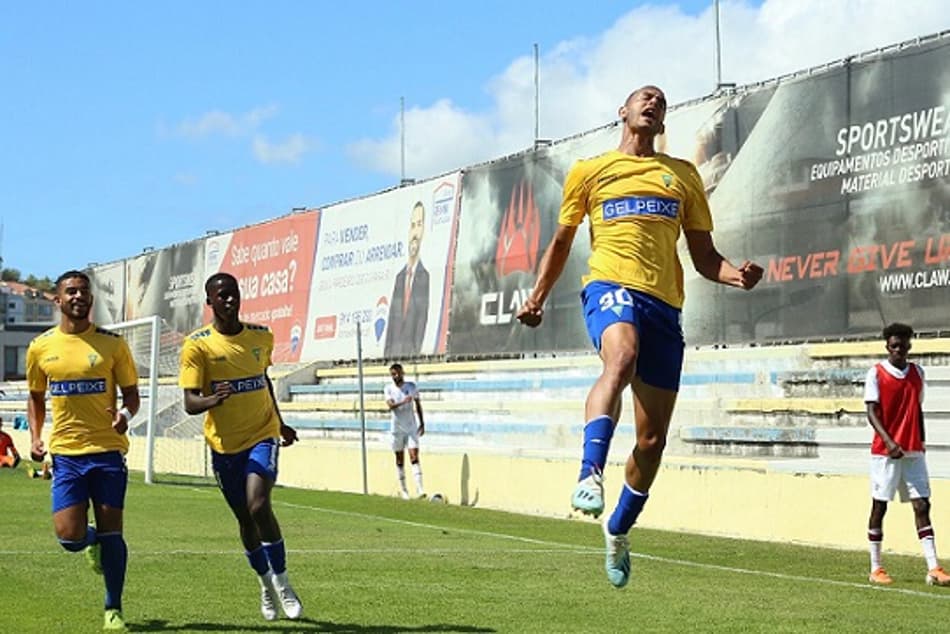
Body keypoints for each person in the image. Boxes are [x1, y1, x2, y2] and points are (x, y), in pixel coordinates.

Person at [516, 85, 763, 588]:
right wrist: (538, 296)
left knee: (651, 443)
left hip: (664, 307)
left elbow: (703, 255)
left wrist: (735, 274)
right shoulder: (590, 171)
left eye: (661, 102)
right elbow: (562, 242)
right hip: (609, 286)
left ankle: (618, 531)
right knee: (620, 358)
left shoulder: (683, 177)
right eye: (644, 98)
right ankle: (590, 472)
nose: (653, 104)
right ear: (623, 112)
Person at [179, 272, 304, 621]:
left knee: (259, 503)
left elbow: (263, 379)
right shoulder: (197, 345)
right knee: (246, 521)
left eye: (234, 294)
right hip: (224, 447)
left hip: (262, 435)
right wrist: (212, 400)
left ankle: (283, 582)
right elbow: (189, 402)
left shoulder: (261, 337)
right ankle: (265, 584)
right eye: (222, 296)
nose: (230, 300)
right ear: (210, 302)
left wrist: (279, 424)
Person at [26, 270, 141, 632]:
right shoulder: (41, 347)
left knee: (114, 533)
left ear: (91, 300)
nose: (79, 296)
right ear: (58, 300)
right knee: (68, 537)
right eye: (71, 292)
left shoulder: (113, 344)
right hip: (66, 455)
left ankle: (113, 609)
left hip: (107, 452)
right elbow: (35, 397)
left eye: (84, 292)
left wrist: (123, 415)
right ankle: (88, 541)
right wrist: (34, 437)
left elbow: (133, 397)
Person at [864, 322, 950, 587]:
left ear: (910, 345)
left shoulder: (917, 372)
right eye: (894, 345)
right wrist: (889, 442)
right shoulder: (876, 373)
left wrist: (919, 442)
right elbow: (871, 412)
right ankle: (876, 567)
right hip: (885, 453)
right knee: (880, 506)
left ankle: (933, 567)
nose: (899, 349)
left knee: (922, 505)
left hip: (913, 450)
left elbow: (916, 408)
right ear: (887, 346)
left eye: (903, 344)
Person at [384, 201, 430, 358]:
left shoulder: (424, 277)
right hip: (393, 355)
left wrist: (415, 352)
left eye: (419, 224)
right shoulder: (399, 278)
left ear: (423, 230)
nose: (415, 232)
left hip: (411, 356)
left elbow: (422, 319)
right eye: (412, 225)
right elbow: (391, 320)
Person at [384, 363, 426, 499]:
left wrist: (422, 423)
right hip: (397, 429)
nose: (395, 376)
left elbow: (418, 405)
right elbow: (391, 406)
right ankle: (404, 491)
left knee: (414, 456)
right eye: (393, 374)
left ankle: (420, 489)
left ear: (402, 373)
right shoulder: (388, 389)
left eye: (397, 373)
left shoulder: (411, 387)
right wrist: (403, 402)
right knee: (400, 460)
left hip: (411, 427)